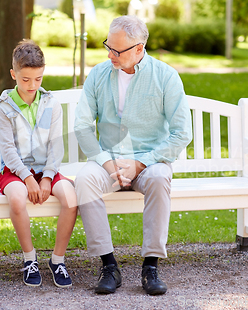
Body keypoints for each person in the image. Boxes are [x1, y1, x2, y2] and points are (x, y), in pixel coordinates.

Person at [74, 16, 192, 295]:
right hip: (108, 160)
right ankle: (109, 266)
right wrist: (106, 161)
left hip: (148, 160)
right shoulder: (98, 74)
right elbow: (82, 126)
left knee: (161, 177)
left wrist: (141, 163)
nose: (109, 55)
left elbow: (182, 133)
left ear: (139, 49)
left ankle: (150, 266)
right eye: (108, 47)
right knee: (84, 180)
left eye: (117, 50)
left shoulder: (165, 76)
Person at [0, 39, 77, 287]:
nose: (32, 85)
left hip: (47, 170)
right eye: (25, 80)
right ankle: (29, 259)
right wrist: (28, 178)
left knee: (71, 200)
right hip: (14, 171)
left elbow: (56, 145)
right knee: (19, 199)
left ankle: (57, 260)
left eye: (38, 79)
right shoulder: (4, 107)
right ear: (13, 74)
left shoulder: (51, 104)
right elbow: (8, 150)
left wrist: (48, 177)